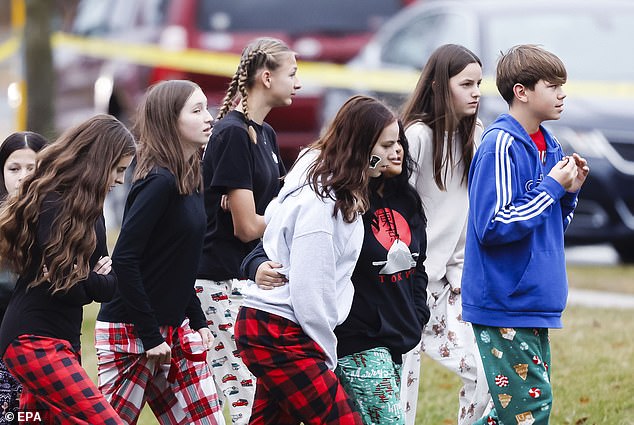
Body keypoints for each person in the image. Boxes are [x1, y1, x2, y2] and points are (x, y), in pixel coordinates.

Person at [235, 95, 405, 424]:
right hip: (279, 330)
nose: (393, 153)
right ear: (361, 146)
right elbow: (311, 289)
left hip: (277, 327)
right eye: (385, 145)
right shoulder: (322, 205)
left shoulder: (340, 191)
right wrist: (325, 355)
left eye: (397, 142)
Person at [461, 44, 589, 424]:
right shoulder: (501, 144)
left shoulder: (549, 145)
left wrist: (568, 195)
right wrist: (551, 187)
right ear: (522, 91)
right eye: (553, 85)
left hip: (535, 302)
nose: (562, 94)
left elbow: (549, 229)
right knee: (529, 410)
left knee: (514, 411)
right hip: (505, 303)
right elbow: (494, 225)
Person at [95, 80, 222, 425]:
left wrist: (196, 320)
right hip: (130, 330)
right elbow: (125, 259)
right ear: (170, 121)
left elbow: (179, 264)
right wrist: (150, 334)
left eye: (205, 108)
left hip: (172, 329)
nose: (208, 118)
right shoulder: (158, 182)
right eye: (196, 111)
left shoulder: (192, 178)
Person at [0, 115, 135, 423]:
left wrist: (87, 278)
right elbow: (68, 284)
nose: (119, 180)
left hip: (63, 343)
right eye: (118, 170)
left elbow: (107, 285)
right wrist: (93, 277)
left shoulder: (92, 212)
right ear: (101, 161)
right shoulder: (53, 202)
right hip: (32, 341)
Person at [195, 37, 299, 421]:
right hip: (217, 283)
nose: (298, 82)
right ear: (266, 78)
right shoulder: (232, 134)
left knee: (262, 395)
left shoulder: (266, 136)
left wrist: (266, 213)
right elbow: (247, 227)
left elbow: (273, 209)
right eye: (292, 74)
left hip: (248, 280)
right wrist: (271, 216)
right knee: (244, 394)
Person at [399, 44, 492, 424]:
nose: (475, 92)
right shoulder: (417, 136)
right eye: (466, 83)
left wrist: (459, 272)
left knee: (484, 373)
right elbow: (392, 206)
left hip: (450, 283)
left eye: (479, 84)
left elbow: (469, 213)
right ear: (439, 84)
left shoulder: (477, 134)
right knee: (401, 393)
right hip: (404, 286)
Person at [0, 131, 48, 425]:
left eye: (33, 169)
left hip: (46, 349)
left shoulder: (61, 221)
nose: (23, 178)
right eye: (14, 169)